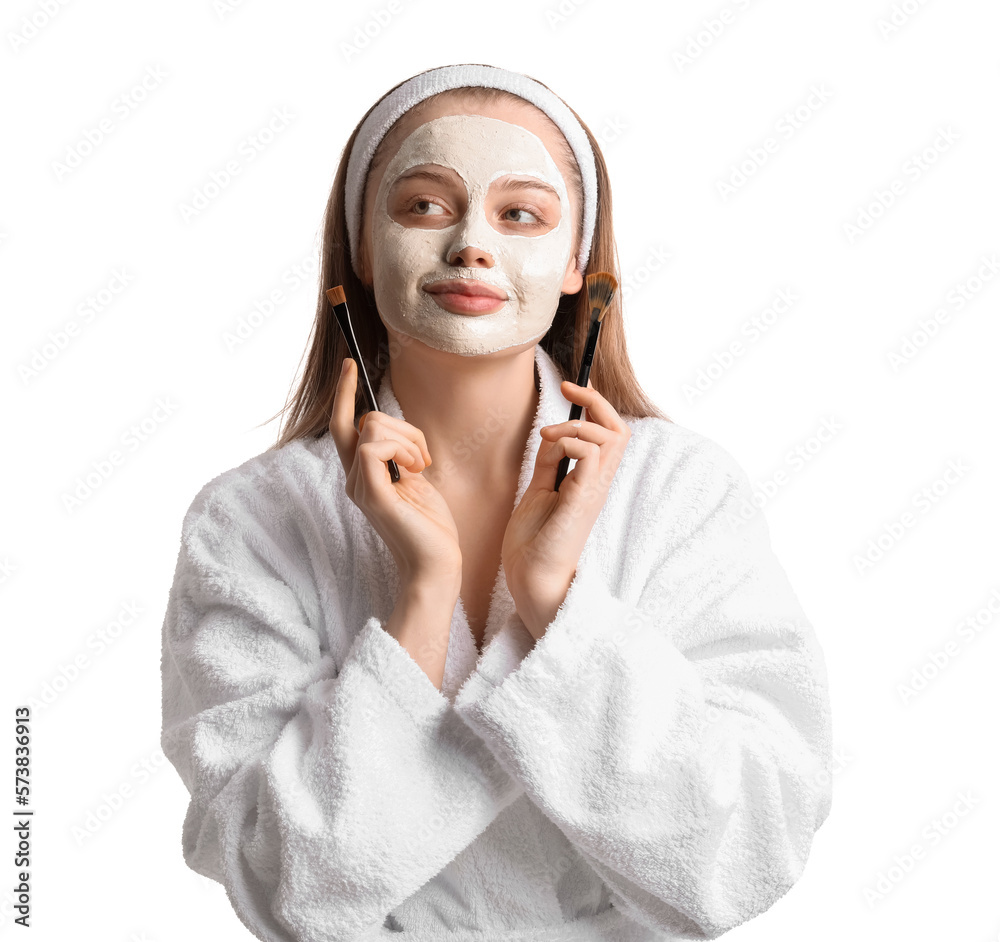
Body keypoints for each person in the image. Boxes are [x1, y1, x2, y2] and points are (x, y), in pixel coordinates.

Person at [160, 63, 832, 942]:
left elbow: (744, 853)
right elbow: (286, 886)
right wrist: (423, 599)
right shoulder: (250, 520)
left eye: (521, 214)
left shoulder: (682, 492)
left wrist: (555, 598)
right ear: (360, 251)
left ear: (577, 266)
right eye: (425, 205)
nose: (471, 243)